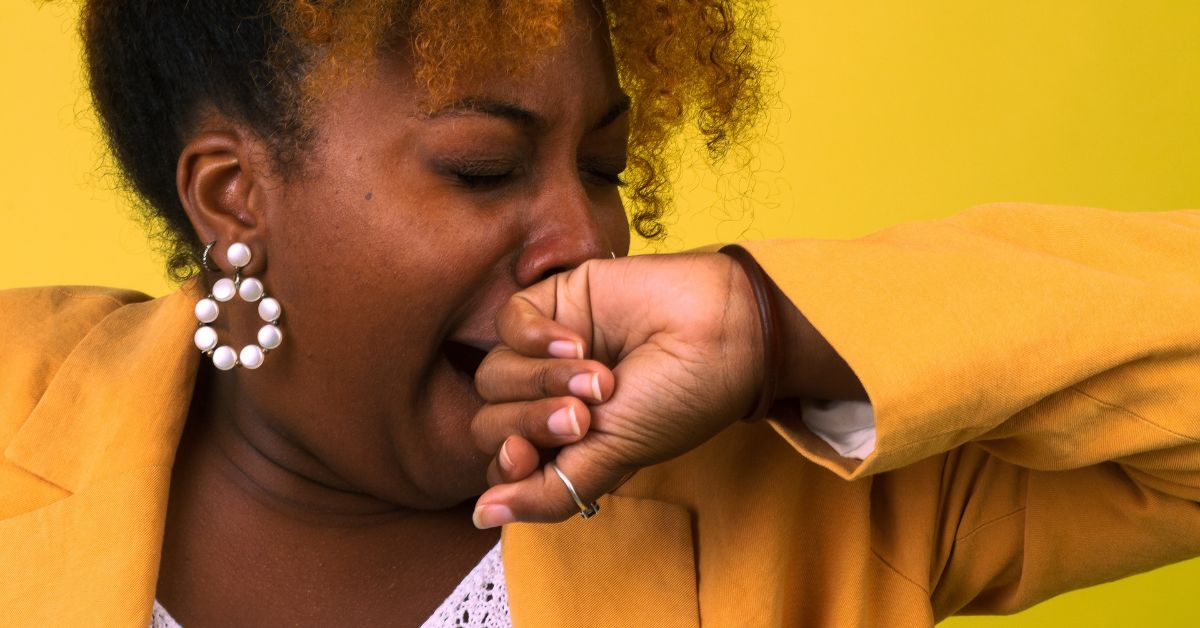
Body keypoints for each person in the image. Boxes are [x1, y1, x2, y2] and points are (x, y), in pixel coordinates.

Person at [1, 1, 1197, 627]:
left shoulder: (813, 485)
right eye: (484, 167)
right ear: (232, 195)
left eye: (605, 166)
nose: (586, 239)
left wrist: (772, 325)